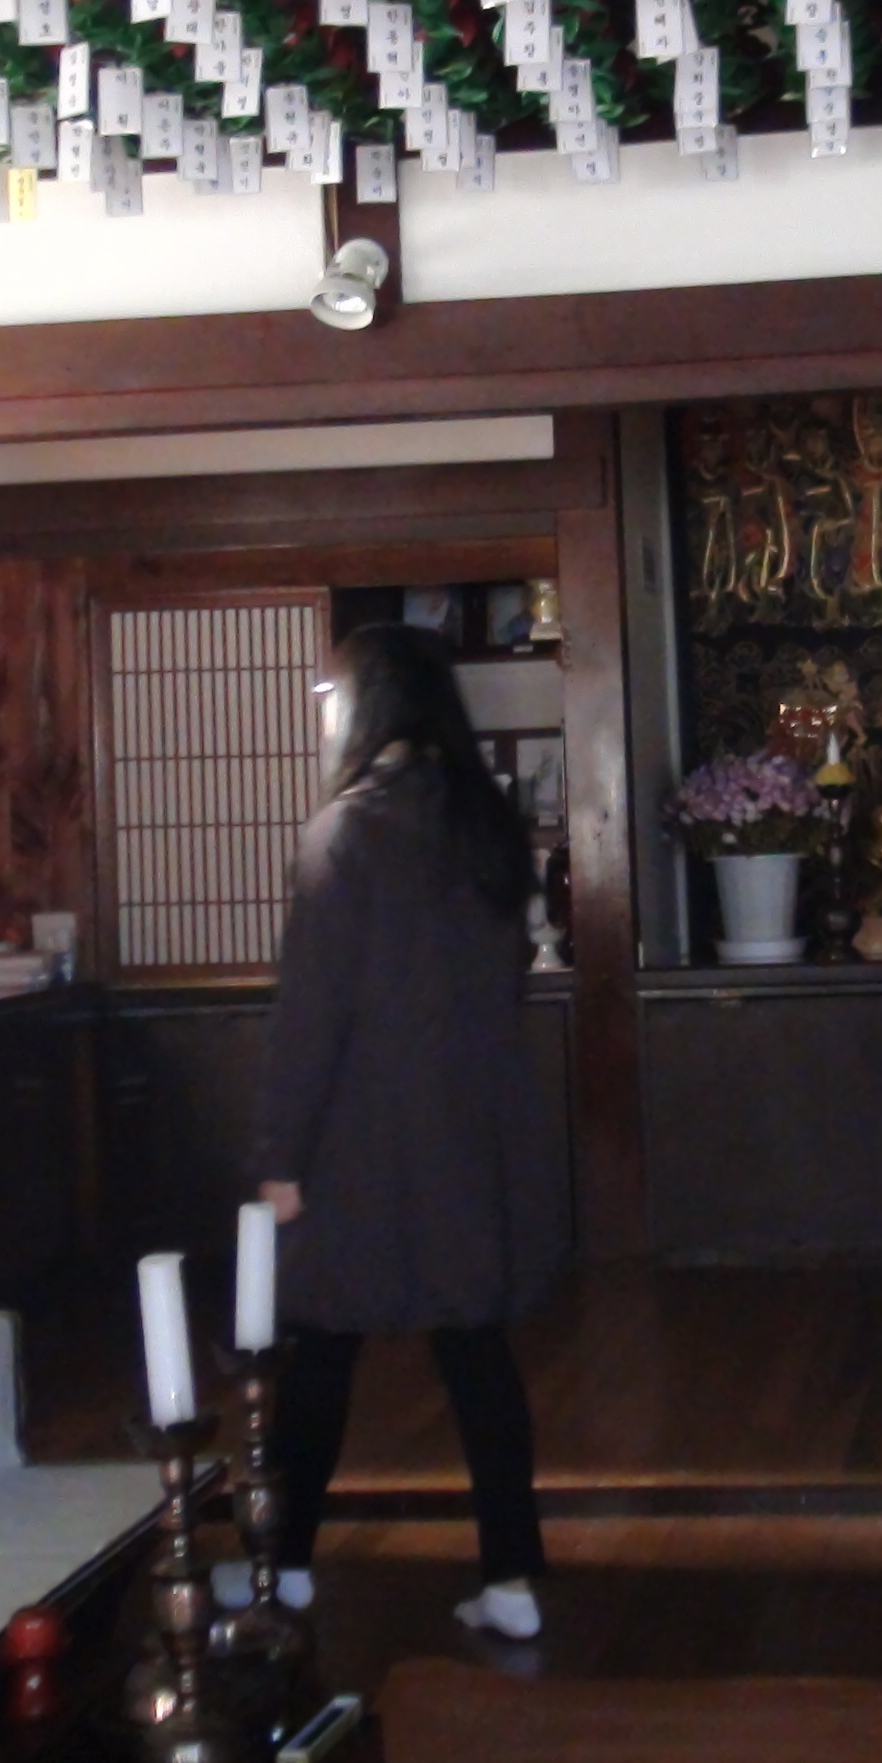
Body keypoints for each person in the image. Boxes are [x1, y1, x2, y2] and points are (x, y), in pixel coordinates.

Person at [253, 622, 567, 1641]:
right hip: (470, 1134)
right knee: (476, 1352)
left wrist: (280, 1158)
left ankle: (284, 1567)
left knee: (320, 1347)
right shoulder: (488, 827)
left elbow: (311, 1015)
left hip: (361, 1140)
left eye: (332, 697)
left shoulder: (346, 832)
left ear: (368, 705)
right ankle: (512, 1577)